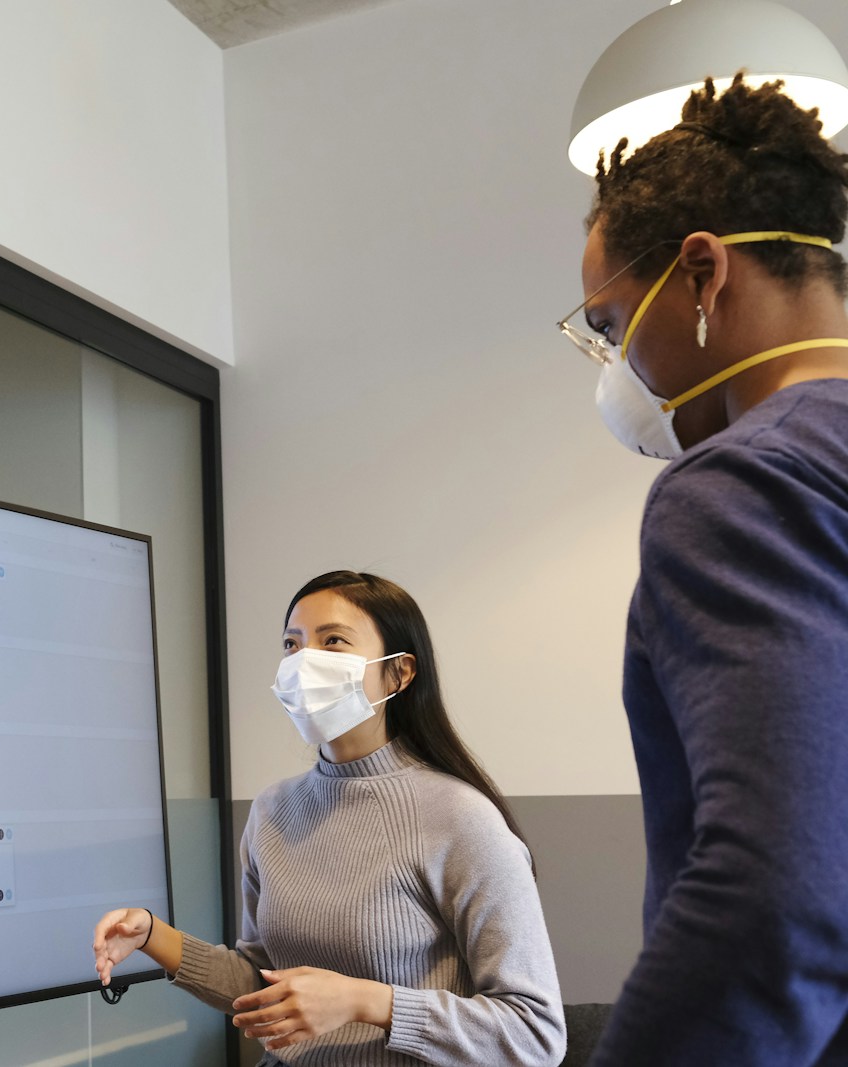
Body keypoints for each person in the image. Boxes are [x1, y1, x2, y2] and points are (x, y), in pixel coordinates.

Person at [560, 74, 848, 1063]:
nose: (618, 370)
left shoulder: (744, 483)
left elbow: (778, 902)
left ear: (700, 274)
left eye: (610, 328)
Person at [93, 571, 564, 1066]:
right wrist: (153, 936)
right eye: (292, 645)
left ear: (400, 673)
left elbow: (535, 1034)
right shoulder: (272, 810)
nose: (304, 662)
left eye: (333, 640)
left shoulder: (461, 819)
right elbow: (264, 983)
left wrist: (366, 1001)